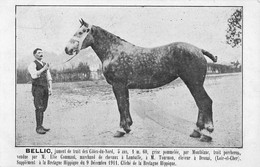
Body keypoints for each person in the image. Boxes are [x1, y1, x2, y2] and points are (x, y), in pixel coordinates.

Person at [28, 48, 52, 134]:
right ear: (34, 55)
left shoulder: (45, 64)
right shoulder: (32, 64)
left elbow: (49, 77)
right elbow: (34, 75)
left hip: (45, 88)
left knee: (44, 107)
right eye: (39, 53)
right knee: (38, 107)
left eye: (42, 52)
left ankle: (41, 125)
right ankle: (38, 127)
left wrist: (50, 88)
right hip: (37, 88)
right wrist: (43, 69)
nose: (41, 54)